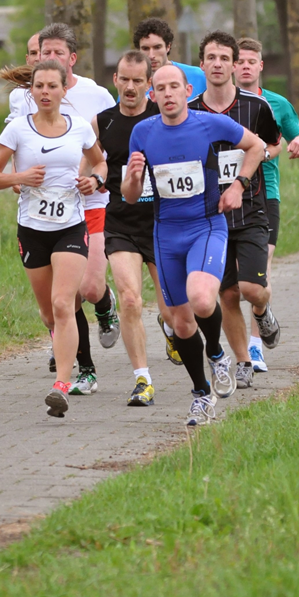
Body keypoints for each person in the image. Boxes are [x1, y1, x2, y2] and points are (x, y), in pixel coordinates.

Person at [125, 64, 266, 425]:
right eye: (161, 88)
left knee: (203, 298)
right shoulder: (142, 132)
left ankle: (218, 353)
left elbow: (256, 146)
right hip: (165, 233)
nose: (168, 94)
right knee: (181, 324)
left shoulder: (209, 124)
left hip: (206, 226)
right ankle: (202, 394)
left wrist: (238, 186)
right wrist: (134, 178)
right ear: (151, 95)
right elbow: (129, 196)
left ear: (188, 90)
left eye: (175, 86)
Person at [0, 60, 108, 418]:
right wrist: (19, 176)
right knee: (47, 313)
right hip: (33, 228)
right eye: (39, 86)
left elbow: (100, 164)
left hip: (71, 226)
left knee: (62, 303)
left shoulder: (80, 127)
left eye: (52, 86)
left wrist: (94, 181)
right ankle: (71, 361)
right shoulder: (17, 131)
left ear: (63, 90)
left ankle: (62, 385)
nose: (45, 92)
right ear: (31, 90)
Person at [20, 23, 120, 397]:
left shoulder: (95, 95)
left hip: (89, 204)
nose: (49, 59)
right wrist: (18, 177)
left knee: (91, 288)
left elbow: (110, 145)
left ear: (72, 59)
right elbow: (14, 145)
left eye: (58, 53)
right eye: (43, 52)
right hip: (41, 215)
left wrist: (96, 178)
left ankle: (107, 305)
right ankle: (83, 369)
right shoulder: (24, 98)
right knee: (63, 301)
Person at [187, 31, 283, 390]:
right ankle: (243, 360)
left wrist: (243, 177)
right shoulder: (190, 110)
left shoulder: (256, 107)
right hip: (210, 219)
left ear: (232, 64)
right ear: (202, 64)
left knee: (252, 289)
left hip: (251, 211)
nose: (217, 64)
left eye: (224, 58)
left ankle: (263, 311)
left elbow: (271, 144)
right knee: (226, 294)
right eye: (211, 57)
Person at [92, 50, 165, 407]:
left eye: (139, 80)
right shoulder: (101, 122)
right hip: (121, 221)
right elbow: (90, 162)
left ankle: (174, 330)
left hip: (164, 223)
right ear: (115, 80)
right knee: (131, 299)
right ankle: (142, 379)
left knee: (174, 312)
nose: (131, 87)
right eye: (125, 79)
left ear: (149, 85)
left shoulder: (163, 116)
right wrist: (91, 177)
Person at [233, 37, 299, 373]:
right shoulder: (217, 105)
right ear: (233, 66)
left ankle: (255, 344)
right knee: (232, 278)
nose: (246, 66)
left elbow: (297, 135)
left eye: (252, 61)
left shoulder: (276, 103)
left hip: (266, 193)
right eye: (241, 61)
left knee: (260, 267)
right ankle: (254, 325)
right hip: (227, 196)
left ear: (261, 66)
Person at [132, 17, 206, 102]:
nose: (151, 55)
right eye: (145, 48)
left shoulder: (198, 76)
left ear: (168, 47)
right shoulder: (131, 85)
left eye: (157, 47)